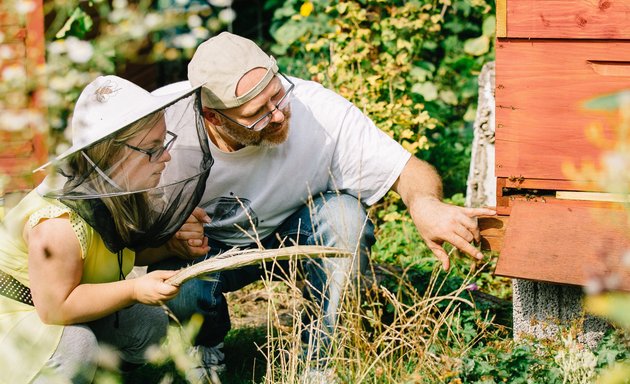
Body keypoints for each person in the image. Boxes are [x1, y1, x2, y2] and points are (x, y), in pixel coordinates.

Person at [152, 32, 495, 372]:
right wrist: (168, 235)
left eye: (278, 95)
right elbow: (121, 227)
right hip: (205, 250)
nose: (277, 116)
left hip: (292, 233)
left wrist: (424, 204)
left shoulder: (317, 110)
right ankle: (205, 342)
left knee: (345, 217)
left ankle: (324, 356)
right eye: (257, 113)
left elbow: (408, 170)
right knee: (175, 281)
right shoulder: (160, 129)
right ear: (212, 117)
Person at [0, 75, 213, 383]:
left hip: (50, 308)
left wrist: (169, 247)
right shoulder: (57, 224)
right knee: (77, 345)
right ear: (111, 154)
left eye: (164, 143)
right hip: (16, 318)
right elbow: (55, 308)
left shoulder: (118, 189)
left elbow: (115, 253)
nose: (165, 157)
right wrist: (135, 288)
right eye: (152, 149)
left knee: (146, 322)